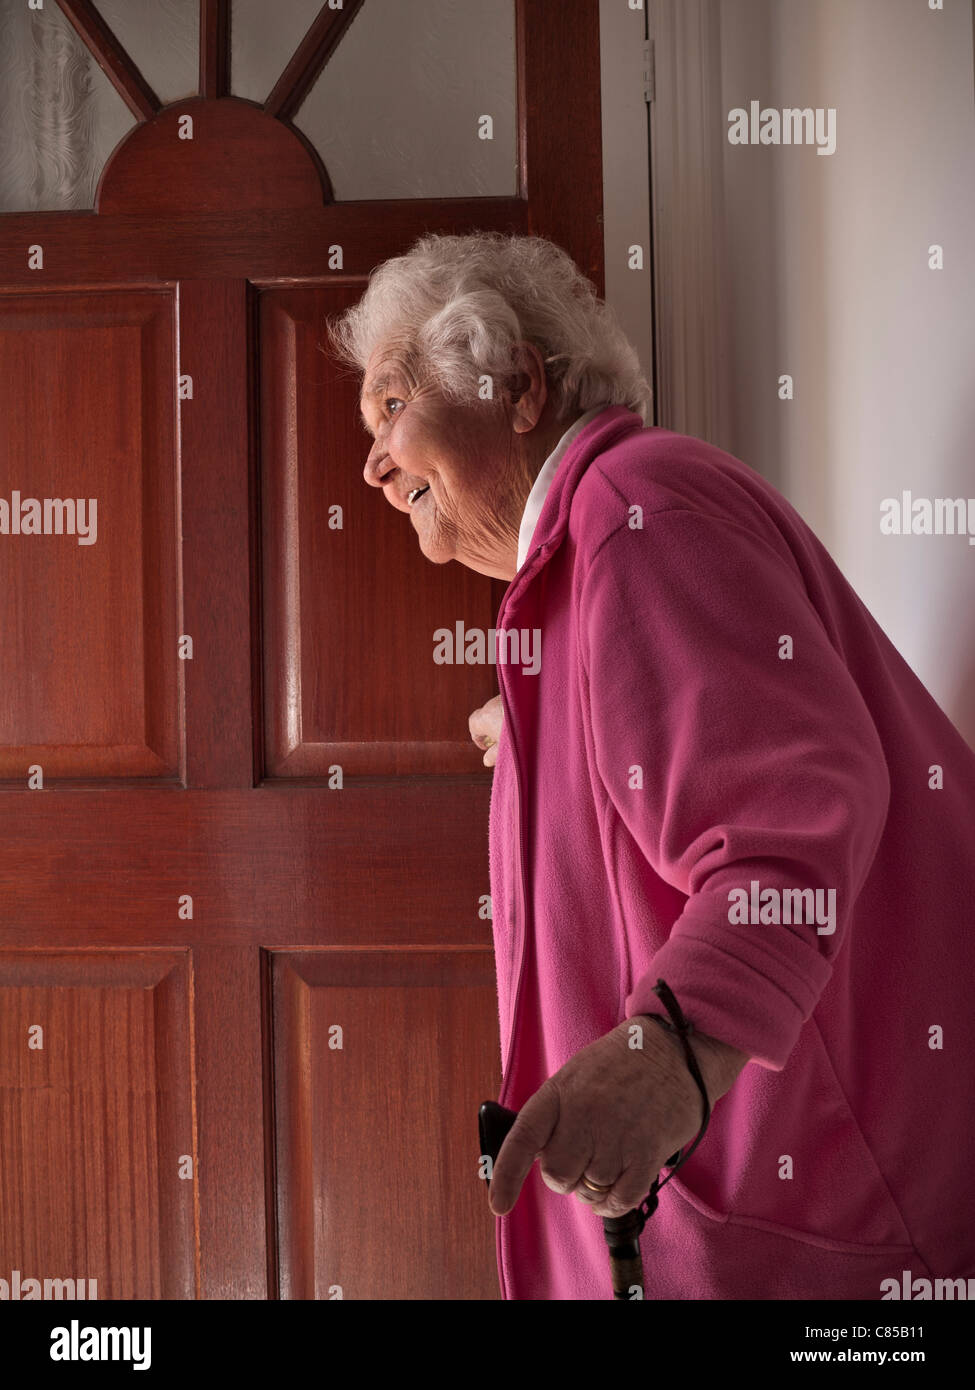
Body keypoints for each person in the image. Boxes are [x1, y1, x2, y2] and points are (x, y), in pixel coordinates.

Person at [326, 230, 975, 1300]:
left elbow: (785, 825)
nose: (374, 462)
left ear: (519, 386)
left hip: (845, 1236)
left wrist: (667, 1055)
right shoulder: (594, 548)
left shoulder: (635, 510)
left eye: (393, 403)